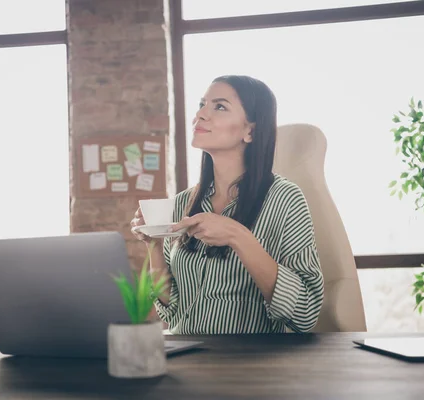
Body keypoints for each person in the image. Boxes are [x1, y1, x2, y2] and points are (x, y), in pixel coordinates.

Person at [130, 75, 324, 334]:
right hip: (187, 355)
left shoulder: (285, 199)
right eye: (202, 104)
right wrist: (152, 244)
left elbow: (306, 312)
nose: (201, 114)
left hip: (247, 362)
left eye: (219, 107)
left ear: (250, 131)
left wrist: (236, 236)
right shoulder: (182, 203)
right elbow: (171, 309)